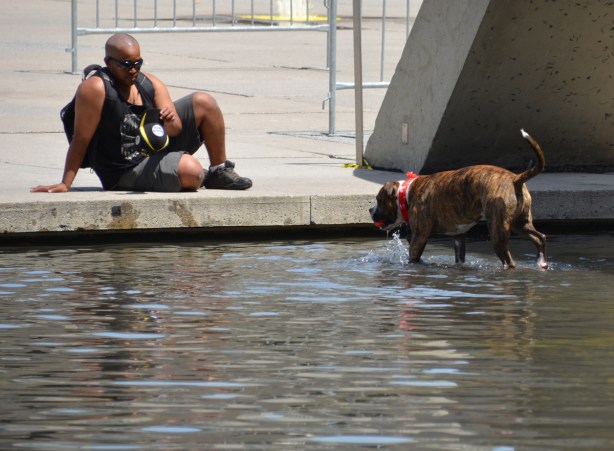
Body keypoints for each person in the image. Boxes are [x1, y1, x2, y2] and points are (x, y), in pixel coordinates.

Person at [31, 33, 251, 193]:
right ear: (108, 62)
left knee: (204, 102)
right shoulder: (95, 89)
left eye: (138, 63)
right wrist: (65, 183)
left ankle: (219, 171)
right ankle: (194, 173)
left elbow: (175, 130)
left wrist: (169, 119)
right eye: (126, 64)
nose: (133, 70)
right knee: (192, 173)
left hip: (153, 150)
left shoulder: (149, 83)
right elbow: (81, 139)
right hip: (124, 169)